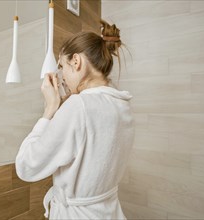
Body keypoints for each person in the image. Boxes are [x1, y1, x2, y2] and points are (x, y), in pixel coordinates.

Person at [15, 20, 134, 219]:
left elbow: (26, 166)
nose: (61, 77)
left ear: (76, 62)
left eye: (61, 66)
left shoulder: (79, 106)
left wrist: (49, 110)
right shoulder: (122, 105)